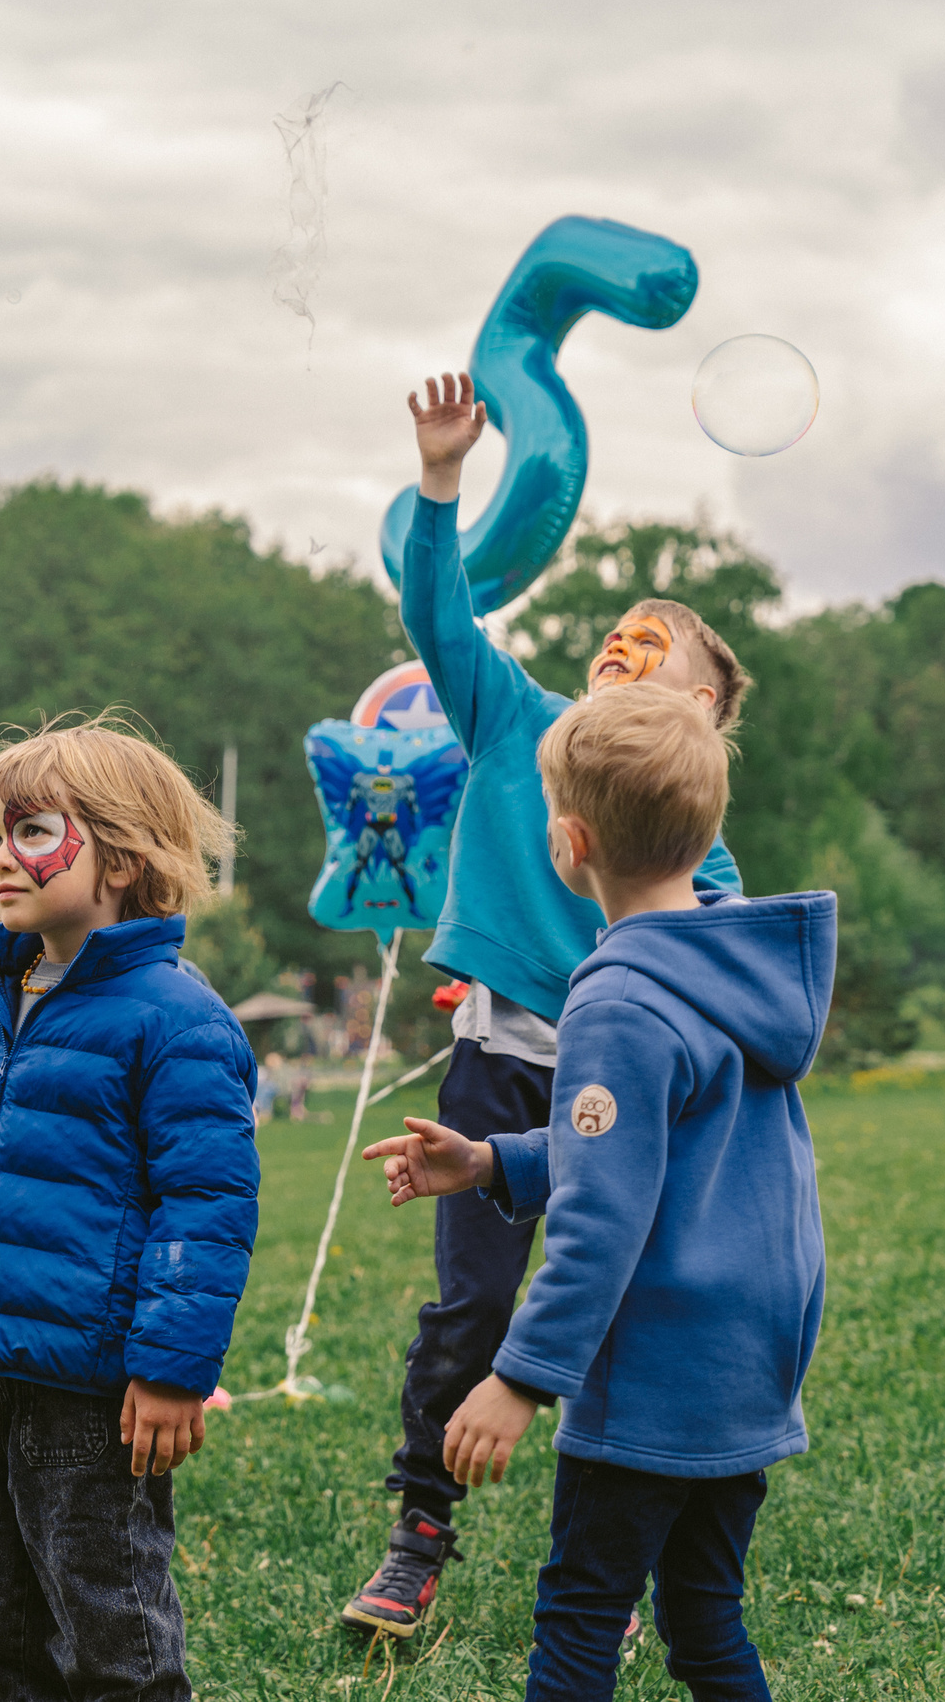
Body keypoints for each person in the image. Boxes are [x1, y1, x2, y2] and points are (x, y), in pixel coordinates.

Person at [342, 372, 749, 1640]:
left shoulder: (703, 857)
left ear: (697, 712)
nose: (620, 646)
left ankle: (609, 1561)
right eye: (614, 636)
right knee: (470, 1310)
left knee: (620, 1314)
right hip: (494, 1068)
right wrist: (441, 476)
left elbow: (727, 987)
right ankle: (418, 1532)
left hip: (618, 1091)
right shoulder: (516, 718)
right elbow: (436, 613)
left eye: (652, 646)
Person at [363, 684, 832, 1700]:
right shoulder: (735, 968)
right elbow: (648, 1150)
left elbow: (602, 1216)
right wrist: (493, 1161)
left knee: (578, 1619)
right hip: (744, 1365)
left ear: (569, 844)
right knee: (704, 1620)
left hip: (656, 1373)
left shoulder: (618, 998)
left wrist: (520, 1378)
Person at [0, 713, 259, 1702]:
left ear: (123, 859)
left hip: (92, 1393)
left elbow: (206, 1203)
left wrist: (172, 1368)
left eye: (30, 831)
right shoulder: (0, 1004)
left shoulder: (176, 1019)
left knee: (107, 1615)